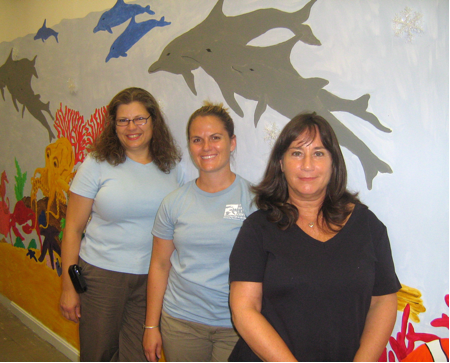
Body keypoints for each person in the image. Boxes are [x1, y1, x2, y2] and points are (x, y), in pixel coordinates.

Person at [229, 112, 401, 362]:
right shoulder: (257, 230)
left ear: (333, 163)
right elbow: (244, 309)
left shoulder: (367, 226)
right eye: (297, 153)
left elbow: (382, 302)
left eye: (318, 153)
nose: (307, 165)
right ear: (281, 162)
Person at [59, 87, 184, 361]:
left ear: (154, 121)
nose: (132, 127)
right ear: (113, 126)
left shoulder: (174, 167)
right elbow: (72, 230)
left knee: (140, 355)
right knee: (98, 354)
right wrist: (69, 287)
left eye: (140, 119)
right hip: (102, 276)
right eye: (123, 120)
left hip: (153, 279)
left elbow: (198, 207)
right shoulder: (96, 164)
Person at [143, 102, 257, 362]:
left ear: (232, 142)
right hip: (181, 323)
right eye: (197, 139)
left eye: (215, 138)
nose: (206, 147)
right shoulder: (173, 203)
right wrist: (151, 326)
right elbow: (160, 265)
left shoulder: (255, 202)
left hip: (238, 325)